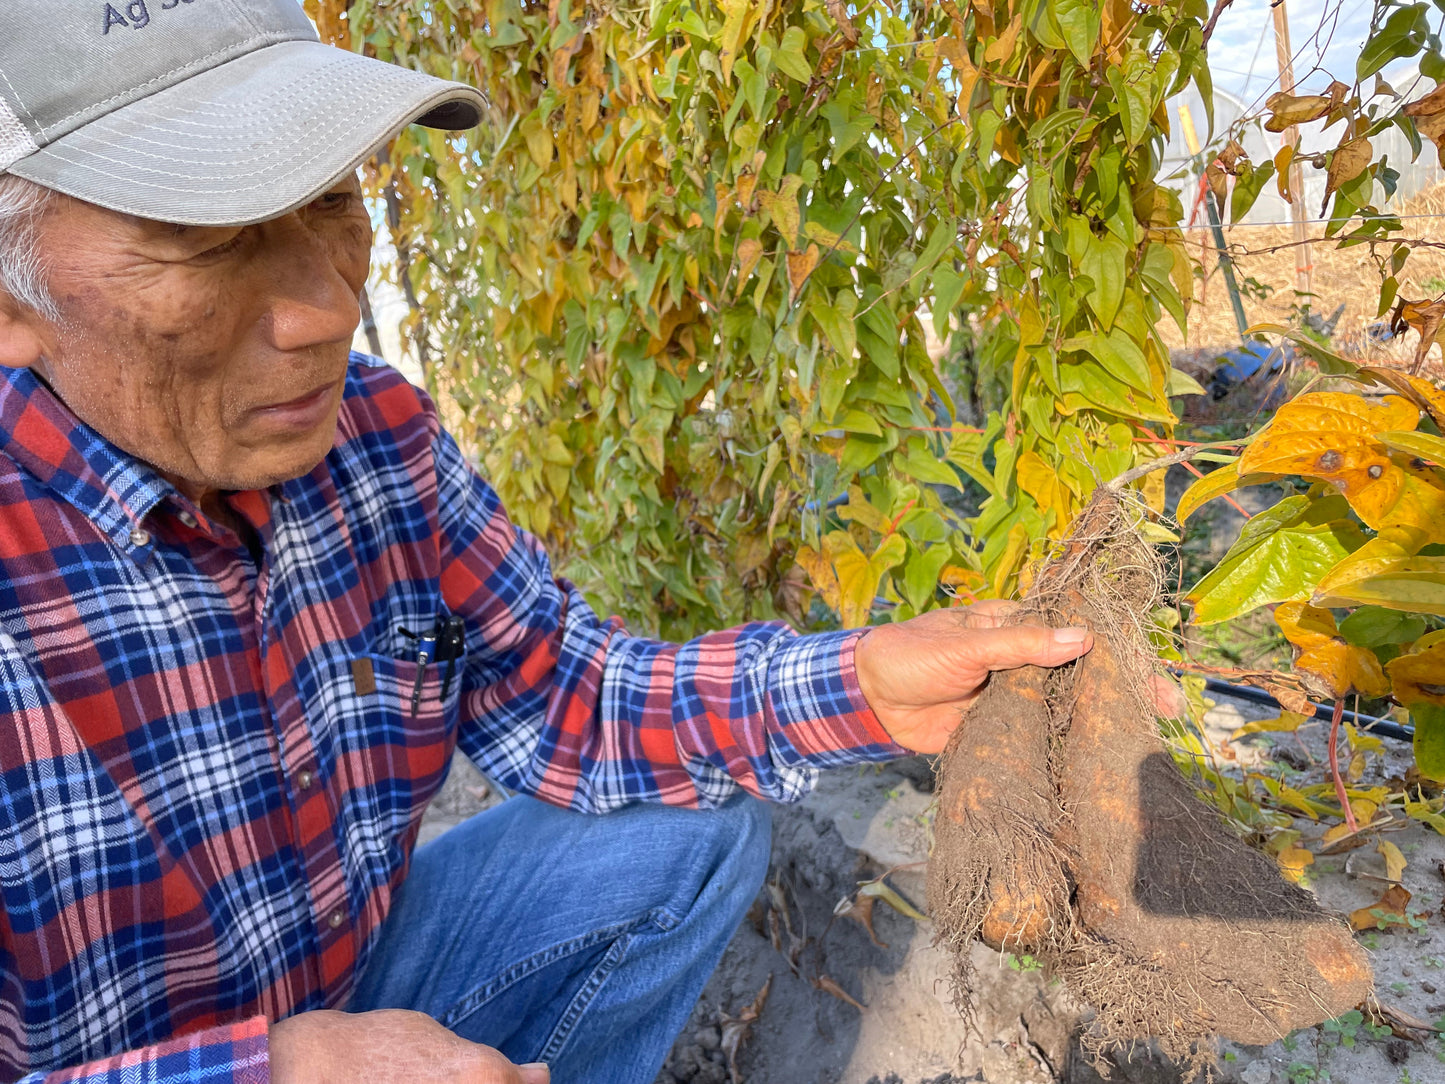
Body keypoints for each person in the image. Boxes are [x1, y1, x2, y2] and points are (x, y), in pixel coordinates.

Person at [0, 4, 1096, 1082]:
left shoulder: (372, 438)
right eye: (203, 238)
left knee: (683, 835)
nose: (326, 309)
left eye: (330, 199)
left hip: (346, 971)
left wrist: (862, 684)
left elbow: (572, 690)